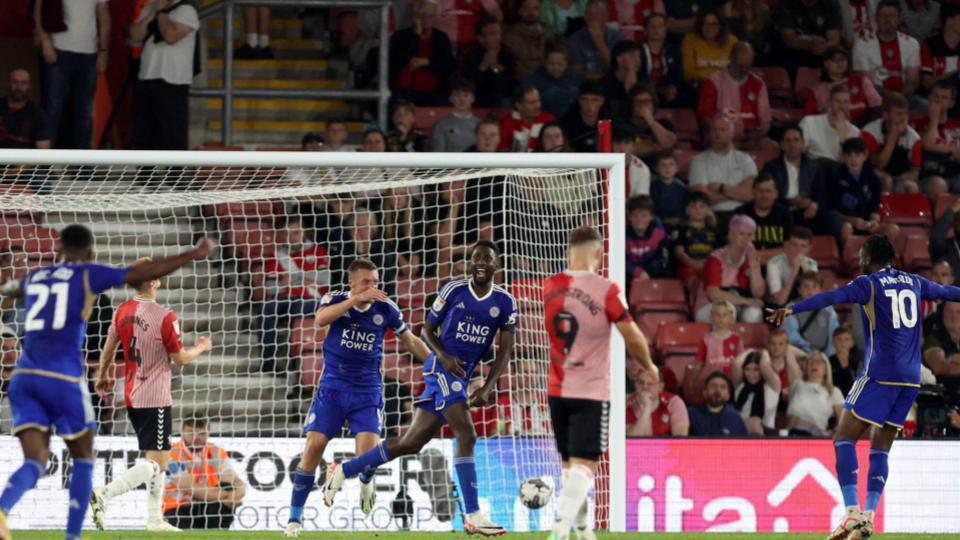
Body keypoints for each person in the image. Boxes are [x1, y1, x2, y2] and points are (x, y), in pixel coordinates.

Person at [0, 225, 214, 540]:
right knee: (87, 457)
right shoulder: (89, 275)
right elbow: (148, 275)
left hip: (23, 377)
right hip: (65, 378)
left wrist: (11, 289)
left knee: (36, 460)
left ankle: (2, 509)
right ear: (89, 253)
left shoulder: (37, 277)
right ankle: (77, 530)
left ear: (59, 249)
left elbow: (11, 291)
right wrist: (195, 254)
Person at [767, 234, 960, 539]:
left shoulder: (868, 283)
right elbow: (950, 292)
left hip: (880, 373)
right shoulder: (915, 281)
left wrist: (792, 309)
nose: (858, 260)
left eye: (861, 256)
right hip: (911, 378)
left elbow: (830, 297)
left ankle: (851, 513)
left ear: (869, 257)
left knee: (843, 437)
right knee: (880, 446)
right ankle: (868, 517)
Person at [324, 242, 517, 536]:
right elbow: (426, 329)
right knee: (467, 433)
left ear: (496, 266)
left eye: (486, 259)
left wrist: (490, 385)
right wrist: (442, 356)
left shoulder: (505, 302)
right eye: (475, 258)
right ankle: (474, 514)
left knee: (410, 443)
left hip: (462, 376)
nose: (480, 263)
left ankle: (344, 470)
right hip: (442, 368)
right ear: (469, 263)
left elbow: (505, 349)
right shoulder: (453, 290)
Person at [282, 258, 432, 537]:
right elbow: (320, 319)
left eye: (375, 282)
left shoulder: (386, 308)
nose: (372, 287)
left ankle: (365, 479)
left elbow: (410, 340)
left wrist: (438, 363)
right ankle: (293, 521)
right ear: (352, 283)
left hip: (367, 391)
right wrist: (355, 300)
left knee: (367, 457)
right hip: (332, 389)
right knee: (313, 449)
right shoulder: (334, 298)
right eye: (366, 282)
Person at [541, 227, 656, 540]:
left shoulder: (549, 285)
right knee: (584, 466)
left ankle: (582, 529)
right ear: (598, 253)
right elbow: (631, 335)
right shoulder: (606, 289)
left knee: (569, 466)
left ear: (568, 253)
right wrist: (649, 365)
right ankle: (560, 528)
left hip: (556, 389)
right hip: (591, 391)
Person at [89, 257, 213, 532]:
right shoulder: (164, 315)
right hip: (155, 396)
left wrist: (103, 375)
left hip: (132, 393)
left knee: (160, 458)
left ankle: (155, 519)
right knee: (155, 464)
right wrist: (201, 347)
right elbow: (180, 358)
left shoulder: (122, 310)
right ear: (154, 280)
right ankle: (105, 493)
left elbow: (108, 350)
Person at [34, 0, 110, 149]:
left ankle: (84, 164)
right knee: (52, 109)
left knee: (85, 112)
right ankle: (45, 164)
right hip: (59, 48)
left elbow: (104, 14)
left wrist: (105, 51)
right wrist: (45, 40)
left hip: (88, 52)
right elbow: (39, 6)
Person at [257, 219, 330, 374]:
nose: (291, 237)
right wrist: (307, 279)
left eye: (295, 232)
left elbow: (324, 279)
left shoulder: (318, 251)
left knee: (300, 308)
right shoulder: (277, 256)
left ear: (304, 231)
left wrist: (290, 279)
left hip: (310, 298)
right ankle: (268, 364)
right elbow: (270, 287)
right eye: (286, 234)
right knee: (265, 308)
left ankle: (295, 367)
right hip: (284, 298)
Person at [129, 0, 199, 152]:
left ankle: (173, 176)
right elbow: (135, 35)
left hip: (173, 81)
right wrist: (154, 12)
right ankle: (145, 175)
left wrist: (162, 12)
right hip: (146, 78)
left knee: (171, 137)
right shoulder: (150, 8)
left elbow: (171, 36)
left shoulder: (186, 10)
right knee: (143, 135)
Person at [162, 414, 247, 529]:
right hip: (178, 510)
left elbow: (234, 480)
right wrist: (228, 496)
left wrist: (237, 493)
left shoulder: (217, 452)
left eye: (201, 433)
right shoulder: (171, 454)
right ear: (182, 431)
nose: (196, 437)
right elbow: (192, 488)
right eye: (191, 432)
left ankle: (218, 533)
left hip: (208, 507)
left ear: (209, 433)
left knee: (228, 486)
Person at [761, 127, 842, 245]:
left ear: (803, 144)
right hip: (782, 212)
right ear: (782, 145)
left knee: (833, 218)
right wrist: (791, 202)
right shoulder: (772, 167)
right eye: (788, 141)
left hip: (806, 213)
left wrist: (814, 205)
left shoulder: (814, 167)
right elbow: (766, 197)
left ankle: (830, 257)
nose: (792, 144)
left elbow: (821, 194)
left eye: (796, 140)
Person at [697, 42, 773, 151]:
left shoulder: (758, 83)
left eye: (748, 66)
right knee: (728, 148)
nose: (744, 70)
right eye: (740, 66)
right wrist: (727, 134)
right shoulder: (713, 82)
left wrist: (758, 134)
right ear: (731, 59)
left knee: (771, 147)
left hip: (752, 140)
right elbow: (706, 119)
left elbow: (766, 122)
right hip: (724, 138)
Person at [852, 0, 923, 108]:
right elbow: (866, 83)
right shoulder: (862, 45)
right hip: (874, 97)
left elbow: (913, 81)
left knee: (923, 105)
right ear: (876, 18)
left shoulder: (912, 44)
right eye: (883, 16)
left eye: (892, 16)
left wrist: (899, 96)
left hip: (904, 96)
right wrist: (890, 97)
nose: (887, 20)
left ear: (899, 19)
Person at [697, 214, 767, 322]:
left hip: (740, 304)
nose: (746, 238)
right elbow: (714, 294)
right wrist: (747, 301)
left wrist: (753, 263)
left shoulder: (752, 259)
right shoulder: (716, 257)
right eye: (741, 234)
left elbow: (758, 293)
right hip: (710, 305)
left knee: (754, 313)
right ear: (731, 235)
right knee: (728, 310)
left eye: (750, 235)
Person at [828, 138, 899, 242]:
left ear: (865, 156)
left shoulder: (873, 179)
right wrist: (851, 220)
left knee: (893, 229)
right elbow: (832, 211)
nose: (853, 160)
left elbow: (874, 209)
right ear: (844, 157)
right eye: (849, 155)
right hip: (846, 222)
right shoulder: (835, 177)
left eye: (857, 155)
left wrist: (873, 222)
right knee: (847, 227)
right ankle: (847, 257)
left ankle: (881, 256)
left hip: (866, 224)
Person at [689, 116, 758, 222]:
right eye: (714, 130)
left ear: (732, 133)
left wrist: (720, 187)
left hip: (742, 215)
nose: (717, 134)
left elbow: (752, 194)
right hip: (710, 216)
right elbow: (702, 199)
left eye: (722, 129)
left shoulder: (745, 159)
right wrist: (738, 190)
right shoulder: (699, 160)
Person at [388, 0, 456, 107]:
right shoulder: (400, 36)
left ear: (436, 18)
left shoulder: (441, 38)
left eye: (430, 15)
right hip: (402, 91)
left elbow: (448, 66)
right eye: (422, 14)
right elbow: (399, 56)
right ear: (414, 15)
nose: (425, 18)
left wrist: (427, 62)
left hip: (432, 92)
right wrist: (416, 34)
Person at [803, 47, 882, 123]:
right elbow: (808, 119)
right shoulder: (816, 90)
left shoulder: (861, 80)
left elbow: (877, 107)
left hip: (863, 127)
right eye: (834, 60)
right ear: (826, 63)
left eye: (842, 59)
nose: (839, 63)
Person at [862, 92, 923, 189]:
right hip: (873, 175)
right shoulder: (869, 132)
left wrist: (896, 178)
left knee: (912, 188)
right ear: (885, 115)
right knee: (886, 181)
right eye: (898, 114)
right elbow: (879, 164)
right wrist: (893, 136)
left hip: (900, 177)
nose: (903, 119)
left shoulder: (914, 138)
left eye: (905, 114)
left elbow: (914, 174)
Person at [733, 173, 795, 264]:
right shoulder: (740, 214)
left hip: (778, 266)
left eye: (768, 191)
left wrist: (755, 254)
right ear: (753, 192)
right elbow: (735, 247)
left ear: (776, 194)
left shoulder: (785, 215)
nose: (764, 196)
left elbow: (787, 250)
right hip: (745, 266)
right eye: (760, 191)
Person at [458, 15, 517, 107]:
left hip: (498, 95)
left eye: (499, 33)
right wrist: (483, 67)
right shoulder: (467, 52)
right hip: (473, 95)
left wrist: (495, 68)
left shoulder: (507, 52)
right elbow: (464, 85)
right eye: (493, 34)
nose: (498, 37)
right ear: (481, 38)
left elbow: (507, 88)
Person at [689, 301, 744, 394]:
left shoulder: (737, 338)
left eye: (724, 315)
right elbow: (699, 362)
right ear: (711, 318)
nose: (721, 318)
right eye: (717, 315)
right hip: (710, 380)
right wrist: (692, 381)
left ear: (731, 318)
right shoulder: (706, 339)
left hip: (731, 381)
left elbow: (742, 361)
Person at [798, 84, 862, 164]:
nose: (841, 106)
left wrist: (842, 139)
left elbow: (848, 166)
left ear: (849, 105)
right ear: (829, 102)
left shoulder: (855, 132)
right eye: (837, 101)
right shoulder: (809, 122)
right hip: (814, 167)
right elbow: (799, 155)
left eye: (845, 102)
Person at [615, 84, 678, 163]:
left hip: (659, 170)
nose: (642, 105)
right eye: (638, 101)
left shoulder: (665, 124)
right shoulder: (622, 125)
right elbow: (626, 149)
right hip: (631, 168)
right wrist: (655, 147)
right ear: (631, 105)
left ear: (653, 104)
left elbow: (669, 145)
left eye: (647, 101)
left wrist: (650, 120)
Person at [918, 79, 960, 195]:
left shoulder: (957, 126)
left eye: (944, 98)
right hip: (929, 173)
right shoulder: (916, 122)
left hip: (955, 172)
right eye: (935, 96)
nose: (938, 100)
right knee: (937, 186)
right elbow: (926, 145)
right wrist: (934, 120)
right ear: (929, 98)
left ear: (951, 104)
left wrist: (937, 148)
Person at [783, 271, 841, 356]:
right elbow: (790, 334)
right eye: (806, 286)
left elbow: (834, 335)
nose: (810, 290)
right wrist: (809, 352)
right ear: (799, 290)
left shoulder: (829, 309)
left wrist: (826, 358)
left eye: (814, 286)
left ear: (820, 290)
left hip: (825, 356)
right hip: (800, 354)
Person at [523, 45, 586, 120]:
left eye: (559, 64)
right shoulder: (531, 81)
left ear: (566, 63)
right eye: (552, 64)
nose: (555, 68)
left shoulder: (578, 78)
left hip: (574, 124)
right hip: (545, 124)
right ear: (545, 63)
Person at [568, 0, 627, 79]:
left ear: (606, 16)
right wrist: (605, 78)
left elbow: (621, 69)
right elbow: (576, 73)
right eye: (588, 14)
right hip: (586, 86)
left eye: (597, 14)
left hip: (613, 86)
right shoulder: (575, 39)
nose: (592, 18)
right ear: (585, 16)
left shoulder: (618, 38)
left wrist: (600, 43)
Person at [776, 0, 843, 70]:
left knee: (837, 55)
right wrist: (808, 45)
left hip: (822, 52)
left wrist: (824, 46)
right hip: (794, 54)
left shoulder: (831, 4)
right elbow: (789, 39)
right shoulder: (787, 4)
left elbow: (834, 38)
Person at [639, 13, 687, 108]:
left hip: (668, 91)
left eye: (660, 26)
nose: (657, 30)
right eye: (652, 27)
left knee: (684, 98)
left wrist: (673, 87)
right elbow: (639, 77)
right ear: (645, 30)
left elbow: (678, 74)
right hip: (645, 90)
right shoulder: (638, 50)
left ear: (665, 28)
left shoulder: (674, 50)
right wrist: (658, 89)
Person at [672, 191, 718, 289]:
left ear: (708, 210)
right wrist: (694, 263)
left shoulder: (713, 231)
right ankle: (696, 298)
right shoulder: (681, 229)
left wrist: (708, 264)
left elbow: (719, 251)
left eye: (702, 206)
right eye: (693, 206)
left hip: (709, 266)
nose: (698, 210)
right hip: (688, 266)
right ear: (687, 210)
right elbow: (679, 252)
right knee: (691, 276)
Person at [626, 368, 689, 436]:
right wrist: (647, 408)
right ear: (635, 385)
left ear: (660, 387)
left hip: (665, 447)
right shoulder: (626, 403)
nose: (645, 386)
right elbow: (630, 441)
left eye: (650, 383)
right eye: (641, 382)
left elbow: (680, 440)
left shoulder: (674, 402)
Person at [681, 10, 739, 84]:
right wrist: (713, 79)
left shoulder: (732, 41)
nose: (709, 28)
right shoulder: (690, 40)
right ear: (700, 25)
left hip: (727, 85)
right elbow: (688, 73)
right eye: (705, 23)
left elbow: (737, 70)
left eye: (714, 24)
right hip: (700, 85)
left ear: (720, 26)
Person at [732, 349, 781, 434]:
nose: (751, 374)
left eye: (756, 369)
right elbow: (736, 364)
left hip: (765, 436)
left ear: (761, 370)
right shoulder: (740, 385)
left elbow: (765, 364)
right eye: (747, 369)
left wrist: (764, 352)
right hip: (741, 435)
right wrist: (750, 350)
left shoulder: (772, 385)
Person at [767, 227, 818, 307]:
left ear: (809, 248)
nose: (798, 250)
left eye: (803, 246)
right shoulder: (775, 263)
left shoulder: (812, 264)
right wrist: (794, 273)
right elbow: (780, 301)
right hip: (778, 308)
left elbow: (812, 297)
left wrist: (805, 270)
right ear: (788, 245)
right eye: (794, 245)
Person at [0, 69, 51, 150]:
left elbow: (44, 153)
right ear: (8, 83)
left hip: (24, 161)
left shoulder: (38, 115)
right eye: (15, 82)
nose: (19, 87)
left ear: (29, 86)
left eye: (23, 83)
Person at [687, 371, 750, 436]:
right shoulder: (691, 414)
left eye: (722, 387)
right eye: (713, 386)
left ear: (728, 396)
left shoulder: (736, 418)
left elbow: (745, 444)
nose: (718, 390)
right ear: (705, 393)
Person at [499, 83, 556, 152]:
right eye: (532, 103)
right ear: (518, 105)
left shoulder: (549, 120)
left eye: (538, 101)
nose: (537, 106)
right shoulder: (507, 124)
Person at [626, 195, 670, 283]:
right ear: (629, 217)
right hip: (630, 272)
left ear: (651, 217)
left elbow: (662, 257)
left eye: (644, 216)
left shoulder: (659, 233)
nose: (639, 219)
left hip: (652, 271)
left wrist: (649, 272)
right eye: (635, 215)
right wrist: (638, 272)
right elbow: (621, 260)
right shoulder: (622, 234)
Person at [921, 301, 960, 397]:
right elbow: (940, 367)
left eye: (959, 311)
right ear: (944, 314)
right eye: (950, 311)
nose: (954, 316)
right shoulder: (934, 338)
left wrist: (954, 360)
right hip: (945, 398)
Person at [430, 79, 481, 153]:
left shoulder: (481, 125)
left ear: (473, 99)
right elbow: (438, 154)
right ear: (451, 99)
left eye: (466, 95)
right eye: (457, 95)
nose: (462, 99)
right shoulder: (441, 125)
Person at [503, 0, 548, 80]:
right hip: (523, 82)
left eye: (535, 8)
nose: (531, 12)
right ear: (520, 11)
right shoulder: (510, 36)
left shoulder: (547, 33)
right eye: (527, 8)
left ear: (540, 12)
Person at [599, 41, 643, 120]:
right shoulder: (604, 85)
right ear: (619, 59)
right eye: (632, 56)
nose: (638, 61)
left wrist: (632, 89)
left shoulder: (643, 83)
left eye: (639, 57)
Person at [920, 3, 960, 91]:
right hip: (936, 94)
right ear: (949, 20)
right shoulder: (930, 45)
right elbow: (927, 83)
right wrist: (954, 74)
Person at [560, 80, 606, 153]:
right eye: (585, 100)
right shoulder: (566, 123)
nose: (589, 105)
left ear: (602, 101)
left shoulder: (608, 122)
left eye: (594, 100)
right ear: (579, 100)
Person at [650, 151, 688, 227]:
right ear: (657, 168)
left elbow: (688, 209)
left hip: (680, 226)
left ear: (677, 168)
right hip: (659, 226)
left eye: (671, 164)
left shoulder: (683, 189)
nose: (667, 168)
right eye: (663, 165)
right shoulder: (652, 189)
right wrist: (664, 220)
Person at [611, 130, 651, 197]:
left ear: (634, 146)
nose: (622, 148)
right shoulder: (601, 165)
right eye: (618, 142)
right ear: (611, 145)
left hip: (633, 206)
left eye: (626, 143)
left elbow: (641, 200)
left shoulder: (642, 169)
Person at [931, 199, 960, 284]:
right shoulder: (947, 248)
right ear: (954, 222)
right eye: (959, 219)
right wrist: (952, 211)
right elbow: (936, 239)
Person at [829, 326, 863, 397]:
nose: (843, 342)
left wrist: (845, 366)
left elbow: (855, 388)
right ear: (833, 342)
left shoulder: (857, 363)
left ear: (852, 343)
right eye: (839, 339)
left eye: (847, 339)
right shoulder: (828, 361)